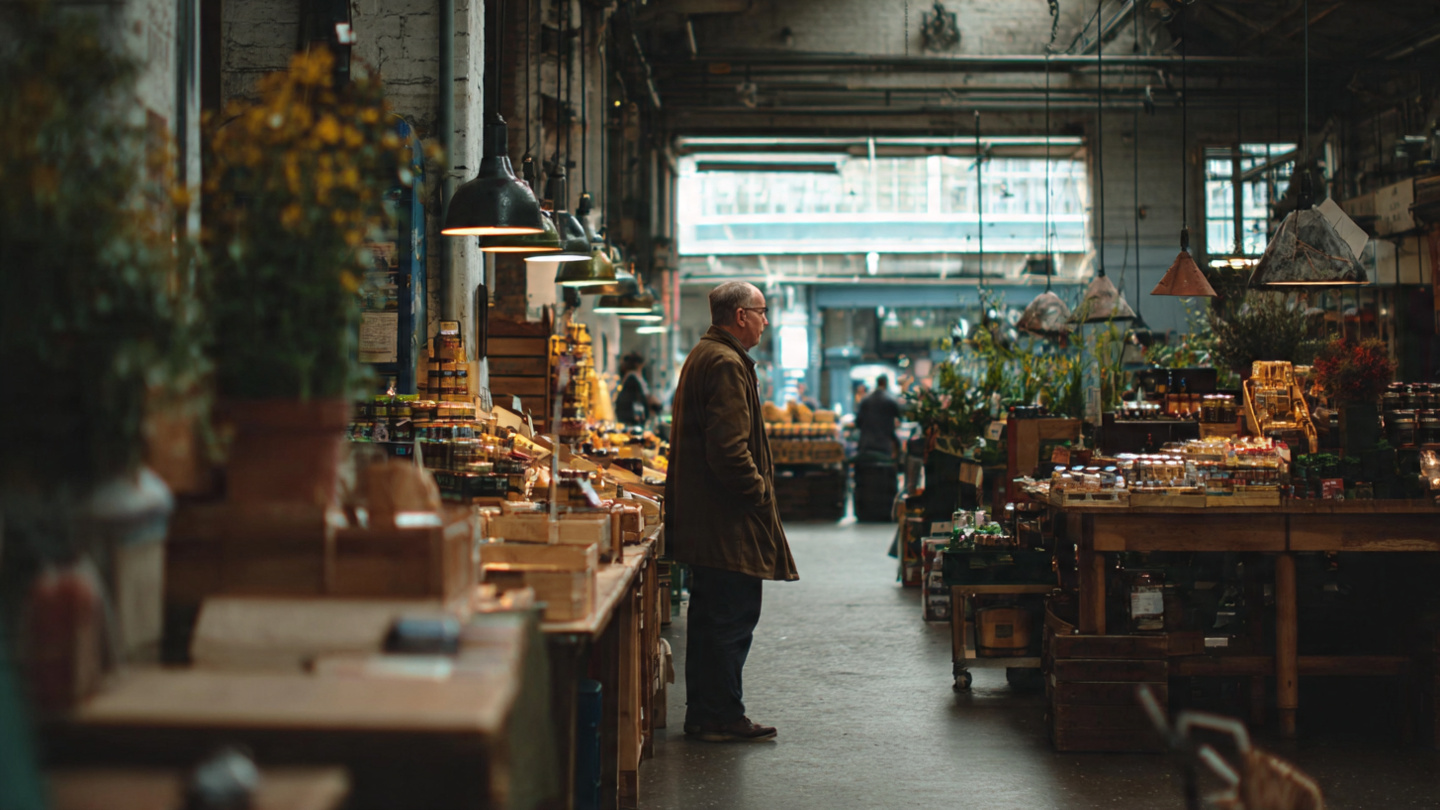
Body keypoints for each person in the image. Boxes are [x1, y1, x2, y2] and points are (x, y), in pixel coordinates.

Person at [665, 280, 798, 743]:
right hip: (726, 521)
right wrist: (758, 492)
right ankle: (720, 716)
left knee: (711, 621)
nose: (766, 320)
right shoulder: (724, 362)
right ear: (740, 315)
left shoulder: (709, 355)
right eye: (762, 312)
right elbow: (728, 449)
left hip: (711, 519)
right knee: (729, 620)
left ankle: (708, 713)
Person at [855, 374, 903, 458]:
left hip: (865, 445)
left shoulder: (865, 400)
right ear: (886, 384)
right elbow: (899, 418)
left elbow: (858, 422)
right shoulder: (890, 401)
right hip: (884, 445)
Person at [613, 351, 661, 427]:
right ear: (639, 364)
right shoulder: (633, 378)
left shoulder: (630, 377)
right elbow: (642, 396)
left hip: (630, 416)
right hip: (632, 417)